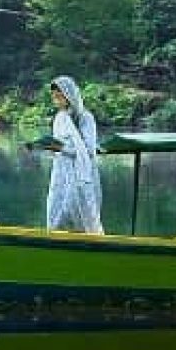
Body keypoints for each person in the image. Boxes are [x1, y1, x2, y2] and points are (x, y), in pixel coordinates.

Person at [45, 78, 104, 234]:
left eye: (59, 96)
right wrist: (50, 147)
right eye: (54, 96)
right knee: (57, 210)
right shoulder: (59, 118)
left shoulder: (85, 118)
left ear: (68, 95)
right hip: (61, 173)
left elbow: (88, 150)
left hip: (80, 175)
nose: (56, 100)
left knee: (80, 211)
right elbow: (58, 144)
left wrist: (60, 147)